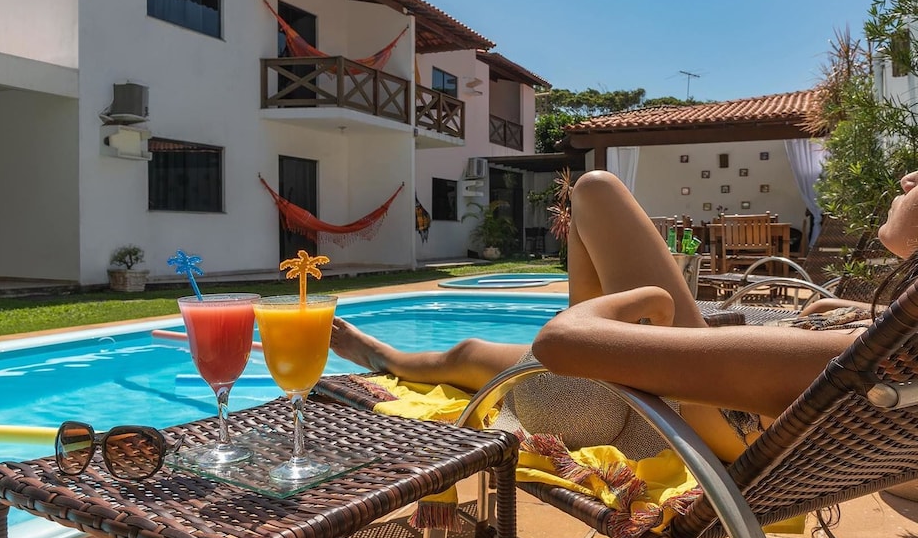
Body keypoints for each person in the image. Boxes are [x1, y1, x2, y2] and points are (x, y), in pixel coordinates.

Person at [331, 170, 918, 463]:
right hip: (680, 403)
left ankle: (382, 357)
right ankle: (385, 356)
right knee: (471, 358)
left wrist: (651, 305)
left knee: (595, 189)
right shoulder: (891, 346)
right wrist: (826, 312)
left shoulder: (860, 359)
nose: (907, 178)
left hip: (646, 420)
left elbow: (567, 345)